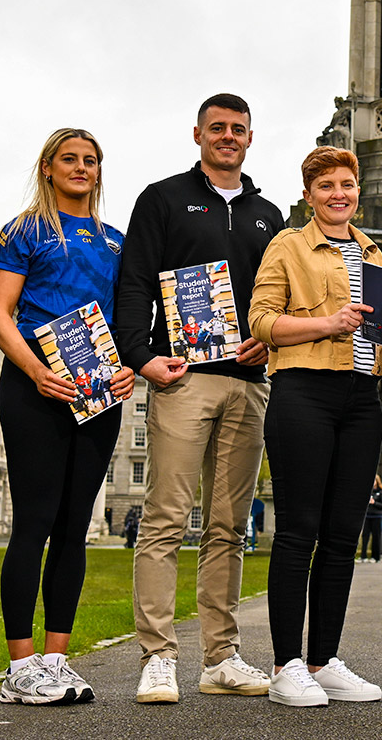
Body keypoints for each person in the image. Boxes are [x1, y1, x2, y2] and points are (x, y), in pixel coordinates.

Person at [116, 94, 284, 704]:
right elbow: (134, 281)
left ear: (250, 137)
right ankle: (158, 656)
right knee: (164, 518)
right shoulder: (161, 199)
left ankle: (221, 656)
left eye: (238, 129)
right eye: (218, 128)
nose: (228, 137)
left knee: (228, 526)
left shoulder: (270, 215)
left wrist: (268, 343)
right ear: (198, 134)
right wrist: (141, 356)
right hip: (182, 378)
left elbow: (278, 301)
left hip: (247, 383)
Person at [0, 128, 134, 705]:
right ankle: (19, 668)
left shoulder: (116, 243)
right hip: (34, 388)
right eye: (69, 159)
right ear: (47, 168)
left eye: (90, 161)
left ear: (99, 171)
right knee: (35, 523)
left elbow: (124, 326)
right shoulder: (24, 230)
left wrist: (128, 367)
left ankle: (55, 659)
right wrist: (35, 371)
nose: (81, 168)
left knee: (74, 530)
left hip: (98, 392)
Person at [248, 146, 382, 707]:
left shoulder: (373, 252)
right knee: (298, 531)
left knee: (339, 538)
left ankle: (322, 659)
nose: (339, 194)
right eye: (327, 185)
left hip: (362, 397)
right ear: (309, 195)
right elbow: (260, 321)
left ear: (358, 191)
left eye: (347, 185)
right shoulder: (287, 245)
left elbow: (379, 331)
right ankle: (285, 665)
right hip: (304, 391)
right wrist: (327, 322)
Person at [361, 476, 382, 563]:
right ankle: (363, 556)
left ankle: (375, 557)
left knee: (376, 537)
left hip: (376, 517)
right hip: (367, 516)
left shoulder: (381, 492)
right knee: (365, 537)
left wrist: (374, 503)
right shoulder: (368, 491)